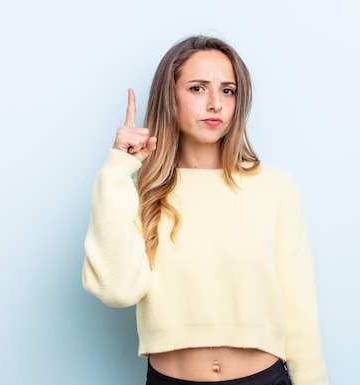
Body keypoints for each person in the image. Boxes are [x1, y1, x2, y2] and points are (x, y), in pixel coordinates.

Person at [82, 35, 329, 385]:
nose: (215, 103)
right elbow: (117, 290)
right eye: (198, 88)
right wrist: (116, 171)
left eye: (228, 90)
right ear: (171, 97)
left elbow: (300, 311)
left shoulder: (275, 188)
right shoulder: (140, 192)